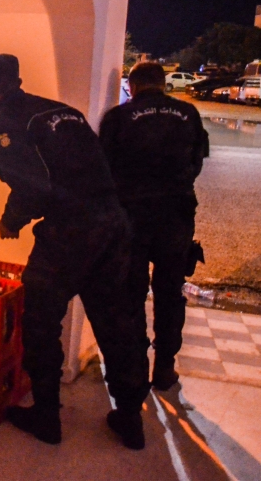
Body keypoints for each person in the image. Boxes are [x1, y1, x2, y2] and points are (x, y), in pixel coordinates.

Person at [0, 54, 149, 449]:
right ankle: (130, 420)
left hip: (70, 234)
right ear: (17, 79)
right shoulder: (61, 111)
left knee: (40, 323)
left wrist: (11, 220)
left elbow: (32, 186)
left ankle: (46, 417)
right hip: (111, 224)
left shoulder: (7, 123)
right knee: (115, 324)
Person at [99, 61, 208, 391]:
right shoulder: (188, 113)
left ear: (131, 86)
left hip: (131, 219)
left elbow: (103, 167)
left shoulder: (118, 118)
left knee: (132, 293)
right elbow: (197, 162)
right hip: (175, 218)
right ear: (164, 84)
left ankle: (135, 368)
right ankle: (165, 368)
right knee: (169, 293)